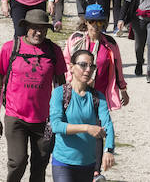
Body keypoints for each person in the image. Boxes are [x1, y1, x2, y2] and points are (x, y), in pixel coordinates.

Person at [0, 9, 67, 182]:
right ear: (26, 27)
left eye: (43, 28)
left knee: (40, 165)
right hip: (15, 117)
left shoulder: (54, 51)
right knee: (17, 162)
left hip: (45, 121)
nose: (39, 32)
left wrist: (61, 118)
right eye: (34, 27)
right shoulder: (10, 48)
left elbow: (62, 87)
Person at [63, 4, 129, 181]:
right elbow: (66, 61)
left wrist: (122, 88)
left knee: (100, 129)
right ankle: (74, 163)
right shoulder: (75, 39)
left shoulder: (110, 44)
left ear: (104, 23)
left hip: (99, 95)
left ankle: (95, 171)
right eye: (92, 21)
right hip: (77, 92)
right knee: (80, 126)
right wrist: (71, 83)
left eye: (99, 22)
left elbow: (118, 67)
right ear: (86, 21)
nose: (95, 25)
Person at [49, 49, 116, 182]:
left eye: (91, 66)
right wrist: (86, 128)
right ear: (71, 67)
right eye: (83, 65)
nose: (88, 69)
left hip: (88, 163)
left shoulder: (98, 97)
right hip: (64, 162)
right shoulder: (59, 93)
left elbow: (107, 124)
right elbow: (56, 126)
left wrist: (109, 150)